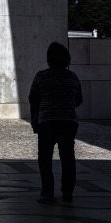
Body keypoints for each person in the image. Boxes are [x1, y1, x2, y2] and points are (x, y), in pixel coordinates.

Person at [28, 42, 83, 201]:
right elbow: (79, 100)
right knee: (68, 157)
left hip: (47, 121)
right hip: (68, 122)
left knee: (45, 157)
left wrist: (34, 120)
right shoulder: (72, 77)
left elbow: (33, 99)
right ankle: (67, 191)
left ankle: (48, 190)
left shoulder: (41, 76)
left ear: (49, 59)